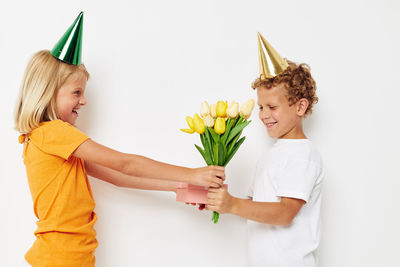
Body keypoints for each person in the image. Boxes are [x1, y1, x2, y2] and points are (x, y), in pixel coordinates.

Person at [14, 12, 225, 266]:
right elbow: (125, 164)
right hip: (61, 259)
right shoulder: (53, 133)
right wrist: (191, 174)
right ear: (48, 92)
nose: (83, 100)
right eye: (76, 92)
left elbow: (119, 177)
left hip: (68, 257)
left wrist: (178, 188)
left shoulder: (51, 142)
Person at [206, 33, 323, 267]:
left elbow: (284, 213)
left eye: (272, 106)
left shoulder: (302, 155)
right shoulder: (273, 154)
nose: (263, 114)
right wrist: (218, 199)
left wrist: (232, 204)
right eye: (261, 107)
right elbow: (256, 205)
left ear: (300, 106)